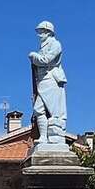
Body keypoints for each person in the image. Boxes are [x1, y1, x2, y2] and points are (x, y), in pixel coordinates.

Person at [28, 20, 67, 149]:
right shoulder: (43, 46)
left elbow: (46, 60)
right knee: (38, 110)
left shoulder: (56, 44)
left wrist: (34, 56)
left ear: (48, 32)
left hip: (51, 80)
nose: (39, 35)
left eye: (41, 32)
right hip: (43, 81)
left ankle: (53, 137)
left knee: (53, 111)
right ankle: (44, 137)